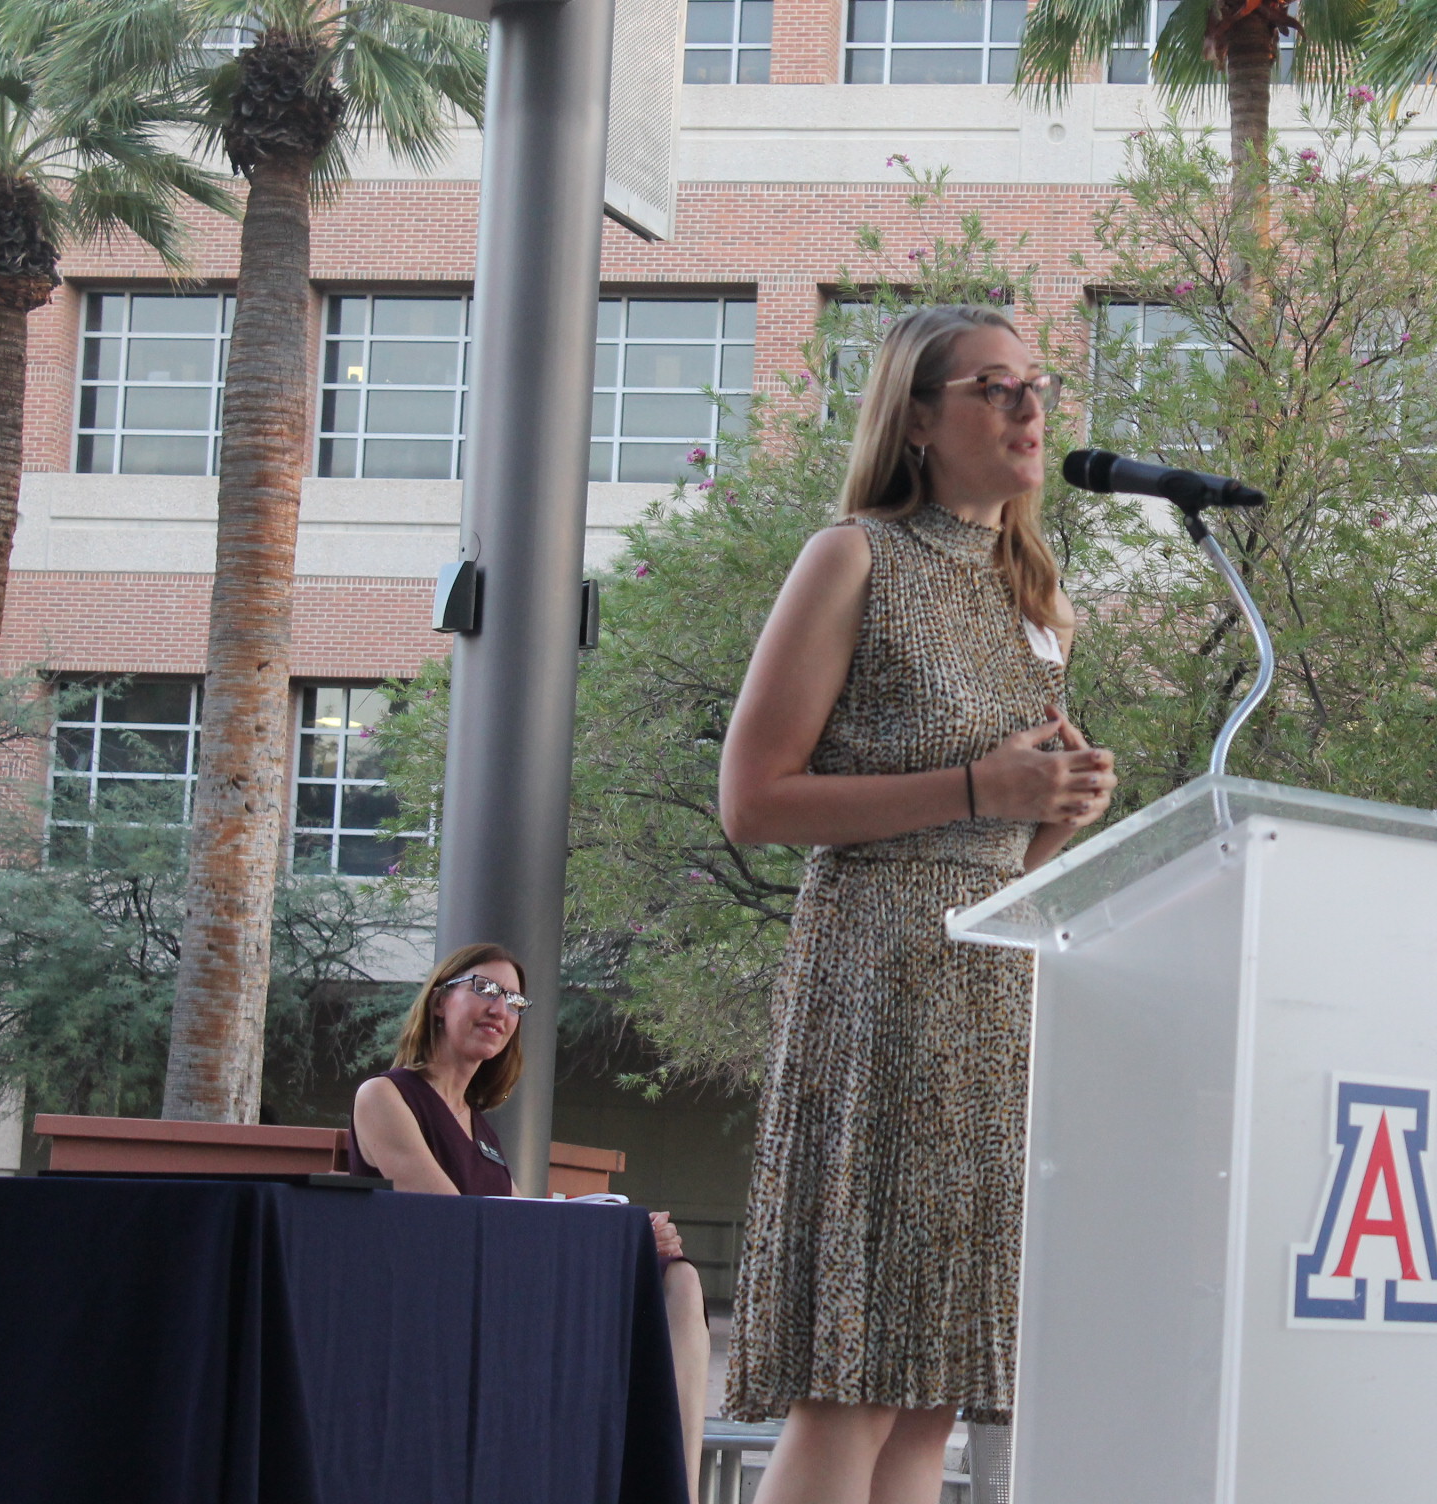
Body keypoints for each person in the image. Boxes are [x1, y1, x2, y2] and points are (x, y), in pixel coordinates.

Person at [717, 305, 1116, 1504]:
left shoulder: (1033, 598)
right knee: (857, 1377)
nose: (1029, 407)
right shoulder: (855, 556)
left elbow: (1009, 840)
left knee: (931, 1384)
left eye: (1035, 384)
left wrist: (1057, 808)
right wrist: (975, 785)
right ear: (921, 418)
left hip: (994, 981)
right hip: (881, 968)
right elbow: (754, 799)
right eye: (994, 387)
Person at [348, 942, 710, 1501]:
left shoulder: (481, 1128)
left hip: (496, 1298)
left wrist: (627, 1234)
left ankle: (674, 1486)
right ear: (441, 1000)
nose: (500, 1010)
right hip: (432, 1318)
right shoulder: (386, 1096)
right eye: (485, 990)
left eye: (514, 1000)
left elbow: (524, 1218)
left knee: (676, 1278)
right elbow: (452, 1224)